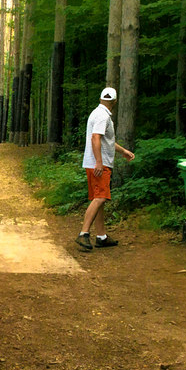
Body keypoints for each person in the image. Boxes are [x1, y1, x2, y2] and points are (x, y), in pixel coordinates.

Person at [76, 87, 134, 251]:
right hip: (99, 164)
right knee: (100, 197)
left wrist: (123, 151)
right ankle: (84, 233)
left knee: (99, 198)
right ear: (115, 102)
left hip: (93, 163)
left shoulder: (97, 113)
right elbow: (96, 138)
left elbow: (105, 140)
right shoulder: (103, 116)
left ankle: (101, 236)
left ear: (101, 99)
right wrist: (99, 162)